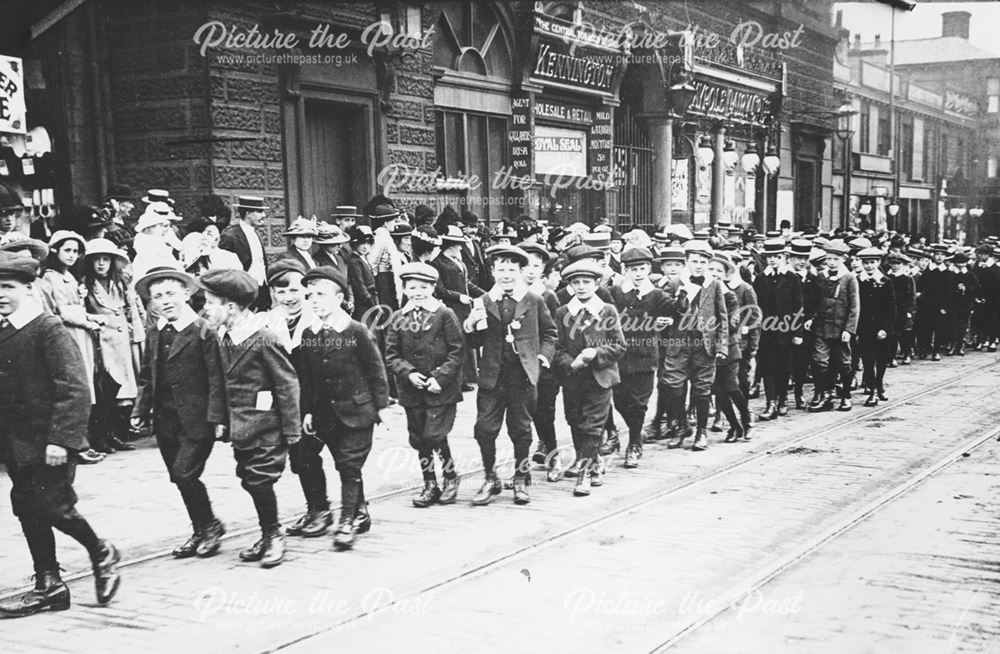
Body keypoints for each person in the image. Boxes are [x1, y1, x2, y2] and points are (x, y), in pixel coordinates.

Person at [0, 252, 121, 617]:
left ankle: (100, 549)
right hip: (15, 443)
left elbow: (74, 387)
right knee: (27, 507)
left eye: (7, 287)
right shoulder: (3, 329)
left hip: (48, 441)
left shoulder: (45, 327)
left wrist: (62, 440)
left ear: (29, 287)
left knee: (53, 506)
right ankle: (49, 584)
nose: (0, 294)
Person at [199, 269, 301, 567]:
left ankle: (274, 536)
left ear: (230, 307)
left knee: (259, 480)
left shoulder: (264, 338)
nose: (205, 310)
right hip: (242, 426)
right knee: (248, 479)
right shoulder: (224, 337)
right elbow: (219, 381)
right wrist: (219, 419)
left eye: (210, 302)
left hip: (269, 425)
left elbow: (287, 384)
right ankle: (267, 532)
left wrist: (292, 432)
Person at [131, 266, 227, 559]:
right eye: (157, 296)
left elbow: (217, 377)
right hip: (166, 419)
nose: (165, 301)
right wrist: (140, 408)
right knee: (178, 475)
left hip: (197, 419)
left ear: (187, 293)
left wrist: (218, 418)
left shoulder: (204, 331)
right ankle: (201, 528)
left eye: (171, 293)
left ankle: (209, 526)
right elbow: (148, 374)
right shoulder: (156, 331)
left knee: (185, 472)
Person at [294, 266, 389, 549]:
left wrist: (381, 408)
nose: (314, 301)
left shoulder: (356, 330)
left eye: (321, 295)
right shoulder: (309, 334)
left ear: (339, 298)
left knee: (349, 465)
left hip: (358, 411)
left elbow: (376, 371)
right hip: (326, 414)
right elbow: (308, 378)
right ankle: (360, 511)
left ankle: (346, 521)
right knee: (342, 463)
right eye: (310, 295)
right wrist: (309, 410)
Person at [463, 245, 557, 506]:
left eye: (512, 269)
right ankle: (490, 477)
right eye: (501, 269)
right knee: (484, 429)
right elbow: (473, 342)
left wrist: (542, 357)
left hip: (522, 375)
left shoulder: (534, 300)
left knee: (521, 429)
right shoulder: (482, 301)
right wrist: (470, 325)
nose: (506, 274)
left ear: (520, 271)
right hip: (492, 376)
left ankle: (520, 477)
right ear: (492, 271)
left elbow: (550, 333)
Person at [384, 262, 465, 507]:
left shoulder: (444, 314)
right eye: (412, 287)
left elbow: (457, 350)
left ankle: (450, 476)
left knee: (435, 434)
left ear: (432, 287)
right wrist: (407, 374)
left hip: (440, 389)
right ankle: (430, 482)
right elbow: (391, 354)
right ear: (405, 289)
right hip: (411, 390)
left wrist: (439, 377)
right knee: (419, 438)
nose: (417, 292)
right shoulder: (399, 317)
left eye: (423, 287)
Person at [552, 260, 626, 495]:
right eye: (576, 282)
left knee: (592, 425)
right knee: (575, 420)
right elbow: (556, 347)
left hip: (600, 378)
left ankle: (584, 473)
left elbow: (619, 345)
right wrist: (569, 363)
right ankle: (594, 464)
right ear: (570, 286)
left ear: (596, 284)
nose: (581, 287)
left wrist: (596, 353)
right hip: (573, 379)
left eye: (587, 282)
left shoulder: (607, 310)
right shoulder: (563, 312)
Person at [607, 247, 678, 467]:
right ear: (625, 270)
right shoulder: (616, 292)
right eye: (633, 269)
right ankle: (632, 433)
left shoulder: (657, 294)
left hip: (646, 356)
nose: (638, 273)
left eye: (642, 268)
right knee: (620, 401)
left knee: (639, 403)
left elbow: (676, 311)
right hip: (620, 356)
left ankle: (634, 443)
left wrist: (668, 322)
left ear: (649, 268)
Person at [40, 231, 106, 464]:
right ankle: (78, 443)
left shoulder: (68, 276)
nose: (72, 255)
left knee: (87, 384)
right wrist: (88, 321)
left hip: (82, 334)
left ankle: (84, 440)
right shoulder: (51, 278)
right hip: (70, 333)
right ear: (55, 251)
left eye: (76, 251)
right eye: (67, 250)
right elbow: (63, 310)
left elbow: (76, 307)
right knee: (76, 383)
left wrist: (92, 318)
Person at [662, 240, 728, 451]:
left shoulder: (714, 285)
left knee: (702, 389)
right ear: (686, 262)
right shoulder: (674, 284)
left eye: (702, 262)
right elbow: (665, 312)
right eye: (694, 261)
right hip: (678, 343)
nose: (698, 265)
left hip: (704, 345)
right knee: (674, 385)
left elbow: (722, 317)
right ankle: (682, 426)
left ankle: (701, 431)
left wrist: (722, 346)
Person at [83, 238, 146, 451]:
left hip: (122, 343)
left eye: (106, 260)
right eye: (97, 260)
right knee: (107, 389)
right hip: (102, 341)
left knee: (126, 389)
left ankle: (117, 434)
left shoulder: (118, 284)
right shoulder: (87, 285)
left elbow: (131, 309)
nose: (101, 264)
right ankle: (103, 436)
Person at [752, 238, 803, 421]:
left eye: (777, 256)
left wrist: (797, 333)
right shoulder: (760, 279)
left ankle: (782, 399)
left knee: (784, 366)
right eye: (770, 256)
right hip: (766, 331)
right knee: (767, 366)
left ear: (784, 257)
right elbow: (755, 307)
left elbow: (798, 307)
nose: (773, 259)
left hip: (786, 330)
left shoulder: (792, 278)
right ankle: (770, 403)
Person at [807, 241, 860, 412]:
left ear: (843, 259)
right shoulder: (821, 277)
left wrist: (849, 329)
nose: (831, 262)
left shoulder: (849, 278)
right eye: (828, 259)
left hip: (840, 329)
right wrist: (812, 318)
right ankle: (824, 394)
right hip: (822, 327)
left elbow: (854, 306)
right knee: (819, 362)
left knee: (843, 363)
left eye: (835, 259)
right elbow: (816, 301)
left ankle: (845, 395)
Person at [856, 247, 896, 406]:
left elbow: (891, 308)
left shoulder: (886, 282)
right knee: (867, 359)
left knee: (881, 359)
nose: (869, 266)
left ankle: (879, 384)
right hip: (864, 327)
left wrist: (885, 328)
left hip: (882, 329)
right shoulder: (858, 281)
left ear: (878, 262)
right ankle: (872, 391)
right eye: (865, 263)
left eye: (872, 262)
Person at [218, 196, 271, 311]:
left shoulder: (255, 233)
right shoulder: (230, 235)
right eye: (260, 211)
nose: (263, 215)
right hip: (243, 292)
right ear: (248, 213)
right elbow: (225, 270)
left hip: (261, 290)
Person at [346, 225, 378, 323]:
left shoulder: (363, 259)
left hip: (370, 299)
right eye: (362, 243)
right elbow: (360, 287)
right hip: (363, 303)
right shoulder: (355, 261)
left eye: (368, 243)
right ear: (355, 243)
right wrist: (373, 305)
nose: (365, 246)